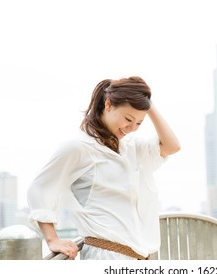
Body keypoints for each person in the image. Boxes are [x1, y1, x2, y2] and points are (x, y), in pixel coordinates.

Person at [27, 76, 180, 260]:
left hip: (135, 259)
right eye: (128, 119)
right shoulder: (79, 147)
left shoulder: (130, 148)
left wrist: (149, 104)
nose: (131, 128)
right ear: (108, 104)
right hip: (105, 255)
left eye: (139, 123)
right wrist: (52, 239)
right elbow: (39, 189)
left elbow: (172, 146)